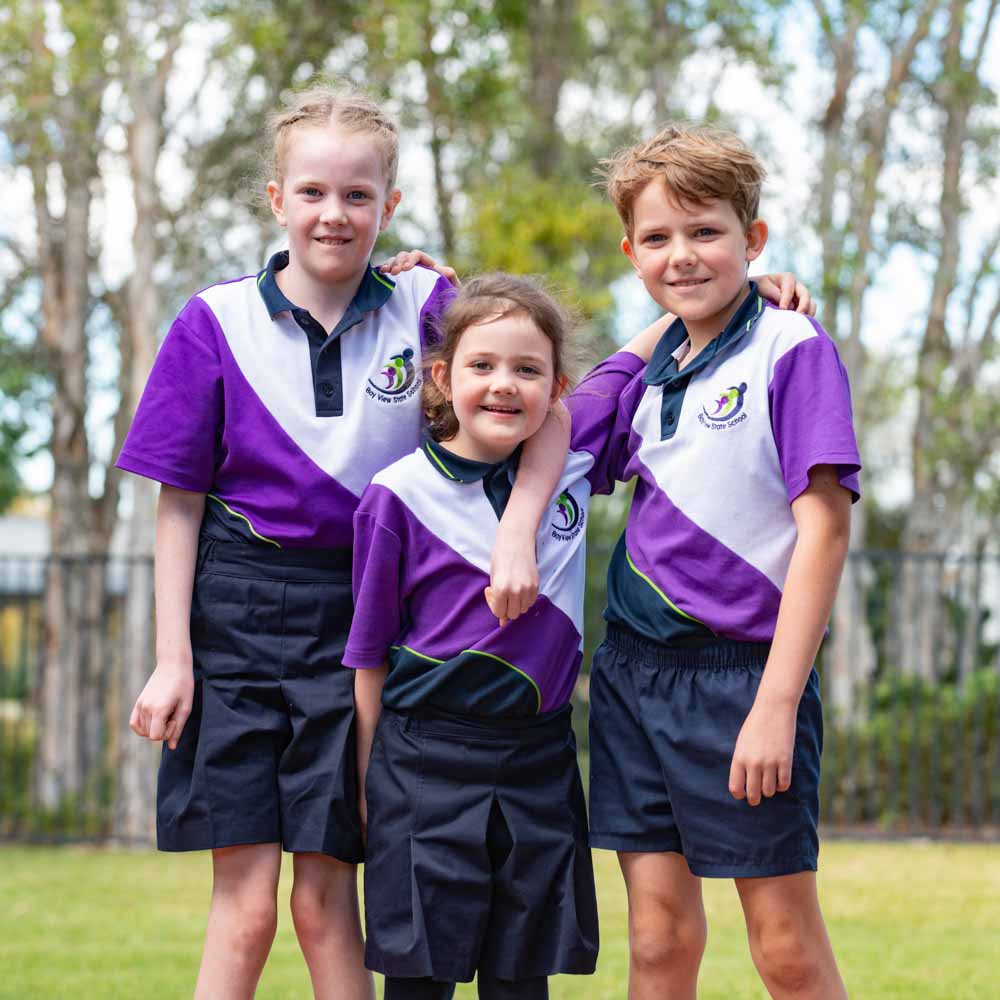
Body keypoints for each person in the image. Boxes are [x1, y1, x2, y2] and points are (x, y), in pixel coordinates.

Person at [117, 86, 560, 1000]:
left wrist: (517, 531)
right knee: (243, 910)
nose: (335, 214)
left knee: (326, 903)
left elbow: (547, 386)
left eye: (358, 196)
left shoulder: (431, 305)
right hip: (233, 618)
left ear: (389, 206)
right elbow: (178, 503)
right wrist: (173, 660)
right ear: (276, 198)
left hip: (361, 620)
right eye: (313, 192)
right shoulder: (213, 321)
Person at [581, 122, 860, 999]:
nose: (683, 255)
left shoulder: (791, 347)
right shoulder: (651, 371)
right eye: (657, 239)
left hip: (744, 682)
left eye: (706, 233)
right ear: (631, 252)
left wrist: (777, 705)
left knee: (782, 948)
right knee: (658, 943)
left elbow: (826, 531)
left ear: (754, 239)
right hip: (632, 676)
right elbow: (568, 443)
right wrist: (653, 332)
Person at [346, 273, 677, 1000]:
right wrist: (370, 778)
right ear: (442, 376)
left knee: (521, 979)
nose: (504, 385)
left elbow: (635, 353)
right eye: (483, 366)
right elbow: (368, 656)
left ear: (556, 386)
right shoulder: (397, 495)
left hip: (539, 759)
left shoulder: (572, 459)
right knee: (420, 978)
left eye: (528, 370)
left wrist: (748, 290)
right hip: (420, 763)